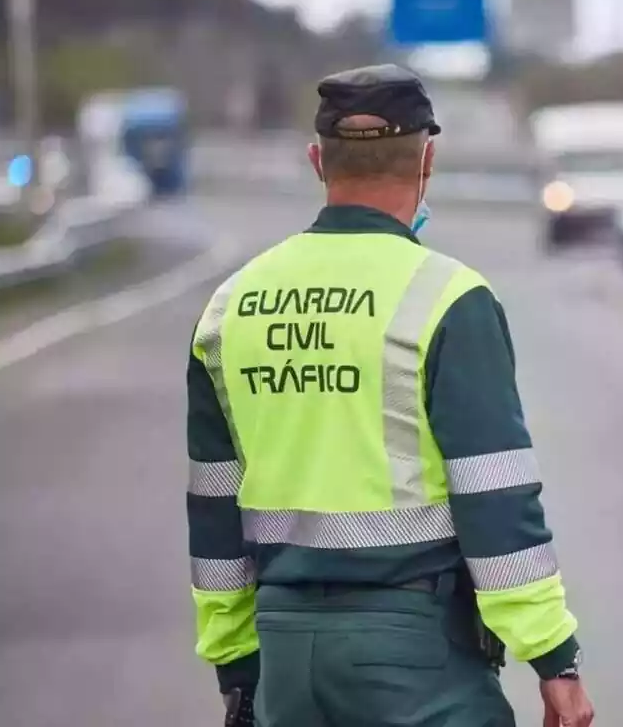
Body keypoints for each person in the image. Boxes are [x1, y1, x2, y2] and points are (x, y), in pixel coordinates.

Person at [184, 64, 594, 727]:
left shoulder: (229, 310)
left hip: (286, 656)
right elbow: (495, 497)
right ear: (427, 160)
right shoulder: (448, 300)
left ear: (318, 161)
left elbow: (213, 514)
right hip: (416, 655)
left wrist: (238, 670)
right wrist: (555, 660)